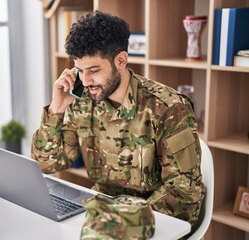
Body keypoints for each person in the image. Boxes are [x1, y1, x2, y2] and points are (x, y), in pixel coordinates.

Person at [31, 10, 205, 231]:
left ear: (121, 60)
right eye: (80, 71)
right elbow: (47, 164)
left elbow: (184, 193)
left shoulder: (168, 108)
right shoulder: (83, 101)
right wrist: (56, 110)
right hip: (103, 215)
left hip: (155, 220)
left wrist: (118, 221)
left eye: (93, 70)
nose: (85, 81)